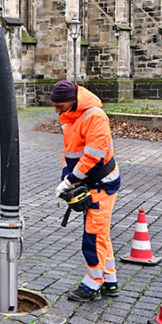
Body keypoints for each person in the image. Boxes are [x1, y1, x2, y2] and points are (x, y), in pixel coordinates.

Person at [51, 80, 121, 302]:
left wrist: (70, 181)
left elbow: (93, 156)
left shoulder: (94, 117)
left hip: (101, 184)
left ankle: (92, 285)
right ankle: (109, 281)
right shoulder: (70, 118)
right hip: (90, 182)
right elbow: (70, 152)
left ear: (73, 101)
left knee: (93, 236)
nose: (56, 110)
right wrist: (66, 175)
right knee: (101, 233)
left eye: (60, 105)